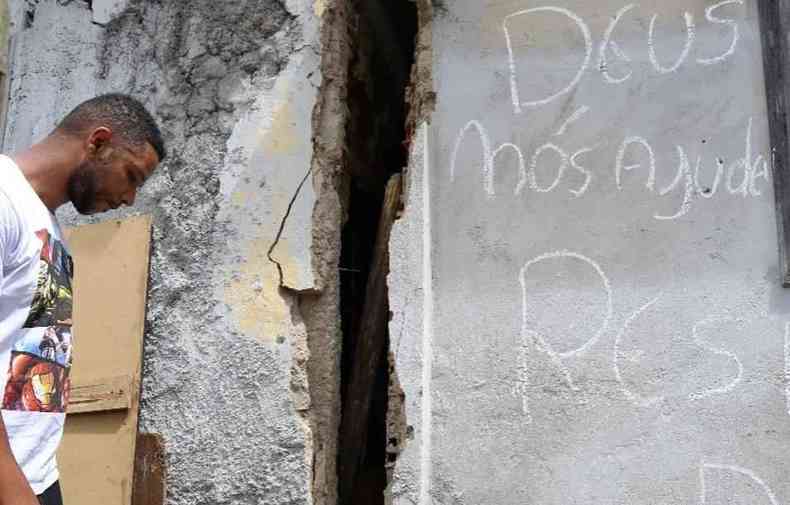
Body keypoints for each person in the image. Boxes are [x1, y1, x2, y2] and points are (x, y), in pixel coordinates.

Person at [0, 94, 165, 505]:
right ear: (97, 142)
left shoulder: (47, 226)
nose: (129, 198)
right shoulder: (4, 203)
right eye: (132, 176)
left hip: (35, 472)